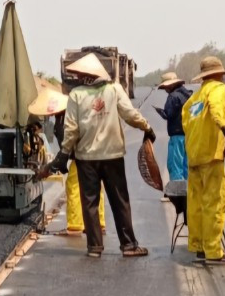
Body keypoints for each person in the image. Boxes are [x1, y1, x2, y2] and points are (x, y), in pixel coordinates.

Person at [36, 53, 153, 259]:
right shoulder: (114, 90)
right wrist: (147, 127)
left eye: (80, 74)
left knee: (89, 202)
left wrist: (63, 155)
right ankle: (128, 245)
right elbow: (130, 114)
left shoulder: (76, 95)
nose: (79, 77)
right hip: (112, 155)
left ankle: (94, 248)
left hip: (86, 158)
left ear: (86, 75)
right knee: (119, 200)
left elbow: (71, 130)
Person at [182, 56, 225, 266]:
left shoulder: (193, 98)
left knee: (196, 204)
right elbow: (217, 110)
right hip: (211, 157)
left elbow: (186, 124)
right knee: (214, 203)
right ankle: (214, 251)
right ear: (219, 74)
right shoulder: (218, 90)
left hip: (194, 156)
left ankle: (198, 246)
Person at [29, 87, 105, 239]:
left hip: (83, 157)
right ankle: (99, 223)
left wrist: (53, 166)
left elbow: (68, 145)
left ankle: (75, 226)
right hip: (95, 154)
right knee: (95, 188)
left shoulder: (66, 119)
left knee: (74, 186)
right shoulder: (69, 113)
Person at [153, 71, 192, 184]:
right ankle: (188, 189)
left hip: (177, 135)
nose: (165, 89)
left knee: (175, 164)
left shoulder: (173, 97)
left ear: (170, 85)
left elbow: (168, 115)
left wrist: (160, 111)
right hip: (189, 134)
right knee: (186, 165)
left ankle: (176, 190)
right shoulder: (188, 94)